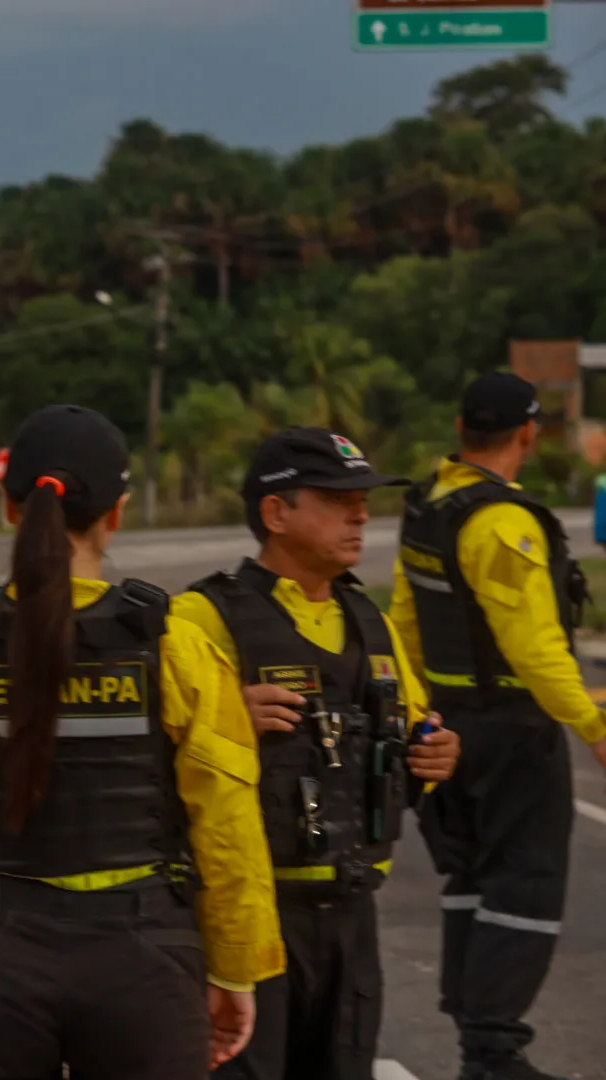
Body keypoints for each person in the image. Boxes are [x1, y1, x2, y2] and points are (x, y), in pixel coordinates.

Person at [0, 302, 283, 1079]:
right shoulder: (171, 641)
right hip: (141, 962)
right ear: (117, 513)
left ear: (11, 507)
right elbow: (228, 820)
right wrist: (235, 969)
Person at [172, 427, 462, 1080]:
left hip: (351, 920)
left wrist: (438, 753)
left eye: (363, 498)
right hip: (246, 926)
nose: (360, 513)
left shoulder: (370, 620)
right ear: (276, 513)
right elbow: (146, 758)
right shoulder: (201, 617)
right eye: (337, 498)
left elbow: (413, 733)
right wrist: (224, 718)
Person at [391, 371, 606, 1080]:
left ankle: (476, 1036)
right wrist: (591, 723)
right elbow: (535, 644)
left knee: (471, 881)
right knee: (526, 884)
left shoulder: (430, 506)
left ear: (460, 431)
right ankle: (493, 1051)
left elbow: (406, 623)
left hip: (451, 729)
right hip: (514, 731)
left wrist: (417, 710)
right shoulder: (502, 522)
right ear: (527, 435)